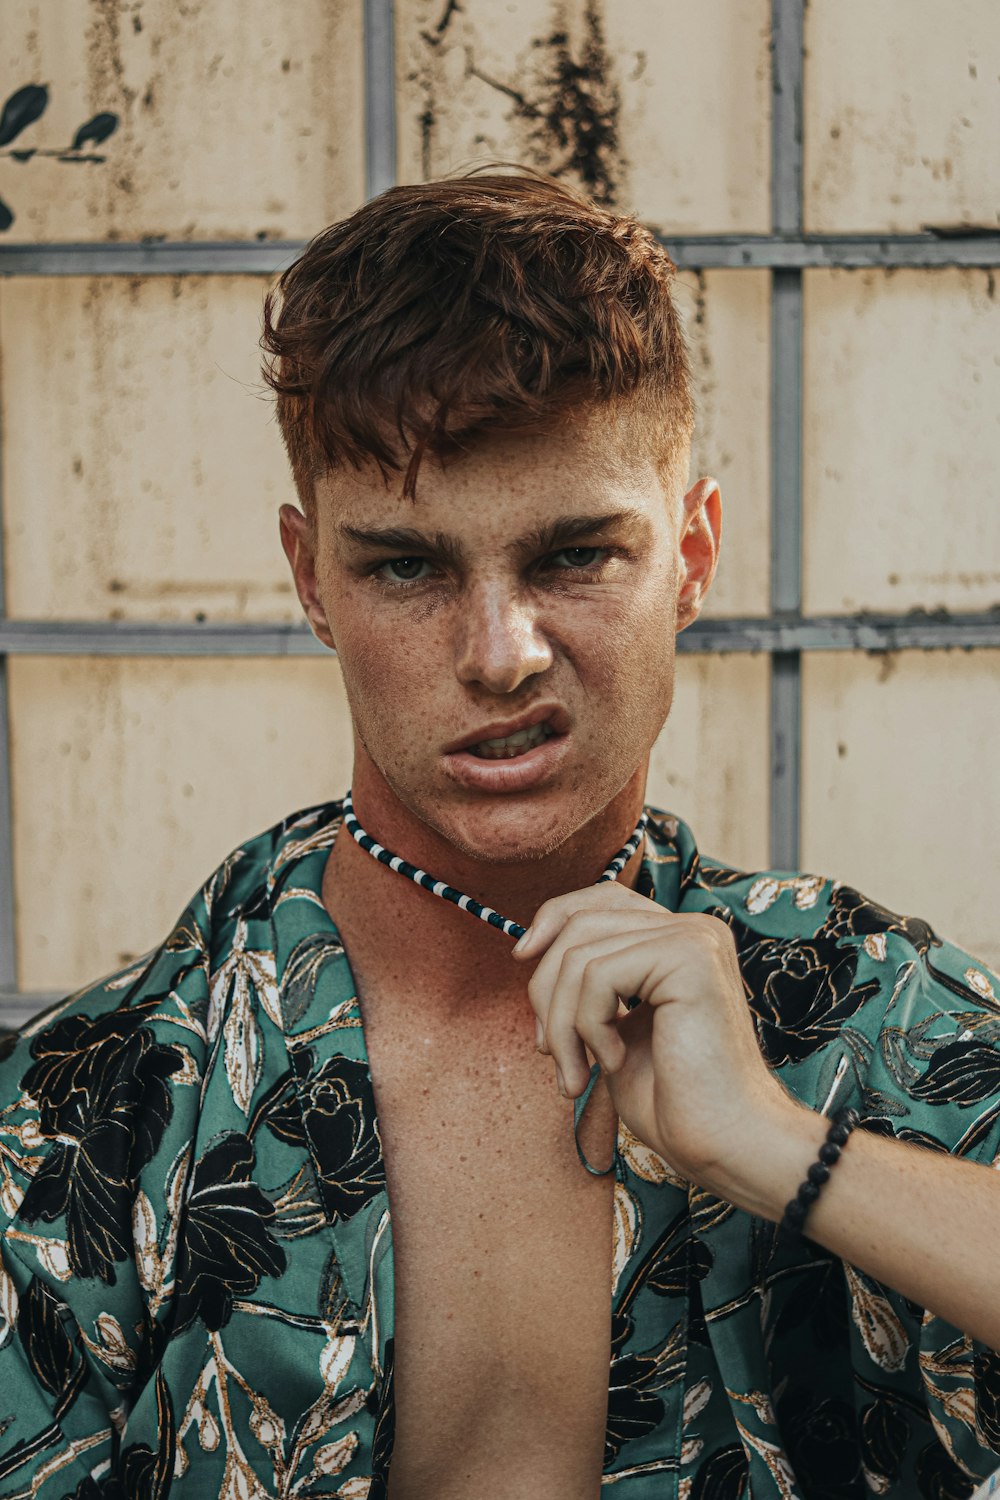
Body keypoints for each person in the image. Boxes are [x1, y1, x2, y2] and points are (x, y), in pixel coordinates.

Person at [0, 168, 998, 1500]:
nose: (502, 655)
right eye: (407, 566)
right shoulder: (101, 1106)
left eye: (575, 555)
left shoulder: (858, 1013)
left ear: (692, 556)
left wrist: (774, 1147)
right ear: (311, 579)